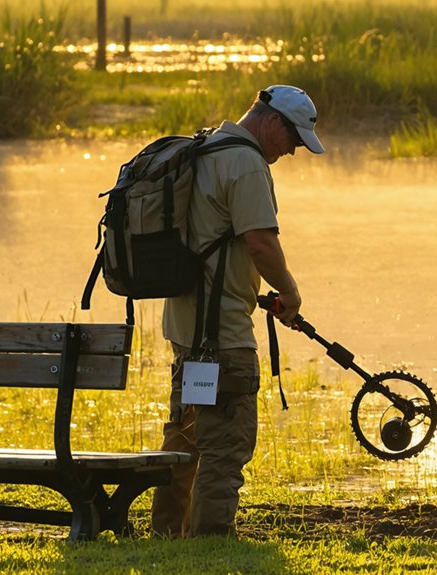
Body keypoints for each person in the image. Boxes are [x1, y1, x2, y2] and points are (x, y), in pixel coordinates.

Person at [150, 85, 324, 537]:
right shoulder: (246, 163)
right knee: (224, 450)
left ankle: (167, 537)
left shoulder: (204, 146)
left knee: (184, 443)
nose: (293, 152)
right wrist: (291, 293)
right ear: (272, 122)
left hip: (186, 332)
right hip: (224, 338)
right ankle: (208, 545)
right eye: (293, 140)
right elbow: (260, 243)